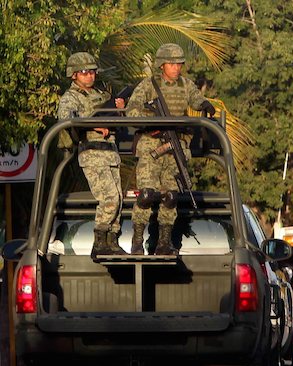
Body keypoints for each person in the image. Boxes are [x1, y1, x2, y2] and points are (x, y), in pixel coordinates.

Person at [126, 43, 216, 255]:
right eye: (172, 64)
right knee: (147, 195)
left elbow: (196, 99)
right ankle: (138, 240)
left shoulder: (186, 84)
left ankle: (164, 243)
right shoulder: (149, 85)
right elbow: (132, 110)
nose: (177, 68)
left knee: (171, 196)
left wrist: (204, 105)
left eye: (179, 64)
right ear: (162, 65)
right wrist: (153, 122)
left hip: (174, 146)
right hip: (151, 145)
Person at [57, 52, 127, 259]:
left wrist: (119, 109)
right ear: (74, 75)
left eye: (93, 72)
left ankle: (112, 241)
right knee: (109, 198)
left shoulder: (102, 95)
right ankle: (99, 242)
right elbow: (67, 119)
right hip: (91, 152)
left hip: (110, 152)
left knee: (119, 199)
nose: (90, 76)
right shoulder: (70, 98)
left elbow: (117, 119)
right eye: (85, 73)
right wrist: (95, 124)